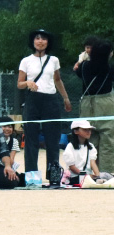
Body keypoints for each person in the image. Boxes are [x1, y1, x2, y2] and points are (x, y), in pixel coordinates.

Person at [17, 29, 71, 181]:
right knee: (31, 139)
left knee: (53, 140)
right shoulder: (26, 61)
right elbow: (19, 84)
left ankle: (53, 176)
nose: (40, 41)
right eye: (37, 38)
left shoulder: (53, 60)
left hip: (50, 99)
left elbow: (57, 80)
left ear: (48, 42)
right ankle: (32, 177)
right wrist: (27, 82)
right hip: (32, 99)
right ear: (33, 41)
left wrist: (65, 98)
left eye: (43, 38)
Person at [77, 39, 114, 172]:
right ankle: (107, 173)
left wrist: (81, 59)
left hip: (87, 104)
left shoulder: (85, 66)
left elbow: (77, 71)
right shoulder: (110, 68)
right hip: (106, 104)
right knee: (108, 140)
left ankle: (89, 171)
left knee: (89, 138)